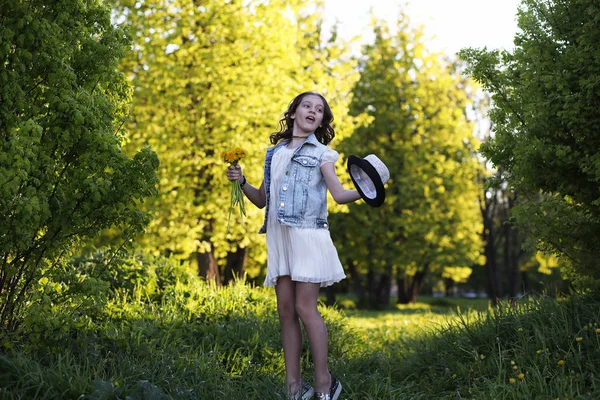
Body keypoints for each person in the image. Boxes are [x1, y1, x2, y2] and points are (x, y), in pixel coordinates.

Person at [226, 91, 361, 400]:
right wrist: (241, 181)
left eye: (320, 109)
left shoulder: (322, 154)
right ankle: (293, 387)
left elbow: (339, 195)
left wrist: (366, 190)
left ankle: (324, 383)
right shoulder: (273, 154)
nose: (313, 111)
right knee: (285, 310)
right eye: (307, 105)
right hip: (280, 236)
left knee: (304, 306)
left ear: (322, 121)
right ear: (294, 112)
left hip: (307, 236)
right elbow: (263, 201)